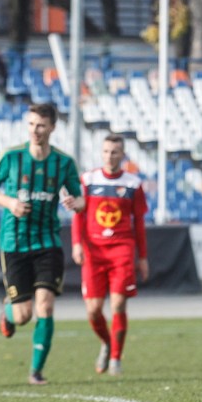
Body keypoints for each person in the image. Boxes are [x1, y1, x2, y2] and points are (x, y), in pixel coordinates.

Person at [0, 103, 85, 385]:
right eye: (31, 124)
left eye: (40, 125)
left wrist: (77, 203)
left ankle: (36, 371)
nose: (35, 130)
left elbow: (82, 197)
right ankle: (9, 313)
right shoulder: (11, 157)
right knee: (24, 314)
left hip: (48, 241)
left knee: (45, 306)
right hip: (14, 242)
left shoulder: (63, 162)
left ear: (52, 127)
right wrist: (10, 202)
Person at [72, 134, 149, 376]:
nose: (109, 156)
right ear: (101, 153)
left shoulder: (133, 184)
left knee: (117, 303)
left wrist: (142, 257)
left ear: (123, 154)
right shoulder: (87, 179)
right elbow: (78, 214)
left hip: (121, 250)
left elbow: (139, 224)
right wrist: (76, 244)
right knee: (93, 310)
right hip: (93, 251)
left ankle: (115, 358)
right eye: (106, 151)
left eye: (114, 152)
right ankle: (107, 343)